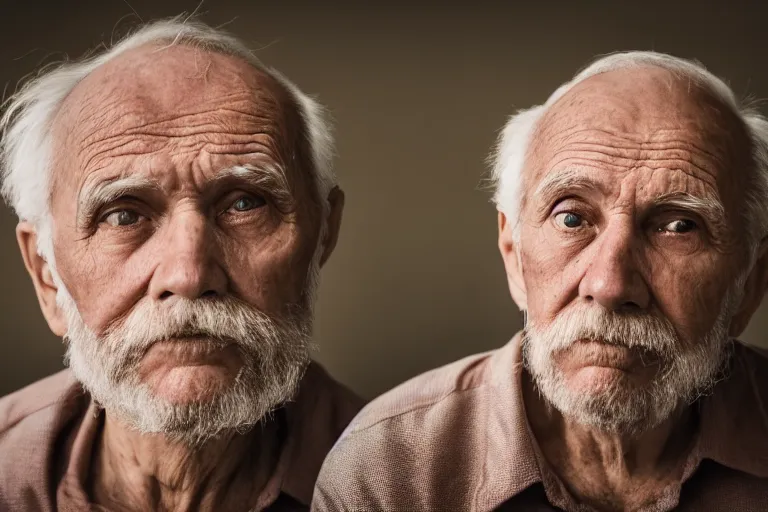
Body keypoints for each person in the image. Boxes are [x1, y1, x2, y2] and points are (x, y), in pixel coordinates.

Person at [312, 52, 768, 511]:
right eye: (571, 217)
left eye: (679, 227)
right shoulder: (389, 466)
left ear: (750, 281)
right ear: (512, 253)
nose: (610, 285)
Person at [0, 17, 363, 512]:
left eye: (243, 204)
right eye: (123, 214)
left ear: (322, 234)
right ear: (45, 272)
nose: (188, 276)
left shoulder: (414, 481)